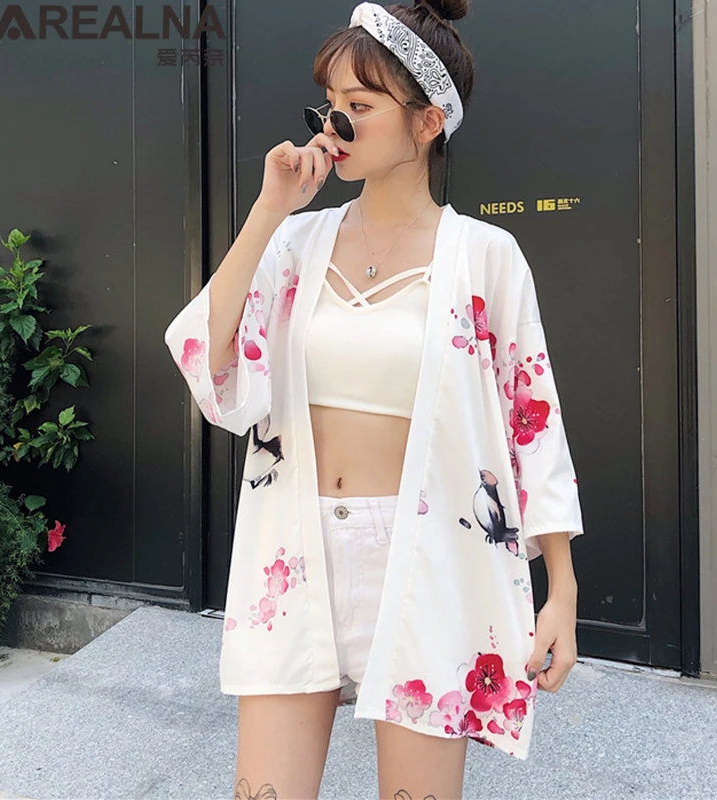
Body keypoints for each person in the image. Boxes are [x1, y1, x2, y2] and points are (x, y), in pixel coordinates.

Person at [164, 1, 585, 798]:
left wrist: (559, 589)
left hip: (429, 558)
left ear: (428, 123)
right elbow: (209, 358)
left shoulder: (486, 258)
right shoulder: (296, 244)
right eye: (329, 104)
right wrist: (270, 209)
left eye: (359, 106)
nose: (334, 125)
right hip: (294, 551)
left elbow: (534, 422)